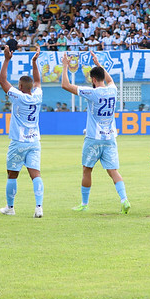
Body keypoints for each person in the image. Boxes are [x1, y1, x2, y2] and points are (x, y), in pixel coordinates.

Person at [61, 51, 130, 213]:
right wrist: (98, 64)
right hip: (110, 137)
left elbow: (66, 85)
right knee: (113, 171)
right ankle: (124, 199)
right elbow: (111, 80)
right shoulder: (113, 90)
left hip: (93, 138)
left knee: (87, 169)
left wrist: (65, 66)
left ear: (92, 79)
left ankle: (84, 204)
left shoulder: (92, 92)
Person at [0, 45, 44, 217]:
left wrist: (7, 59)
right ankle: (38, 207)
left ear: (20, 86)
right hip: (34, 141)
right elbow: (38, 82)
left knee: (12, 174)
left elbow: (2, 80)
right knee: (35, 174)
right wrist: (34, 62)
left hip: (18, 141)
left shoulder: (18, 97)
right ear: (31, 87)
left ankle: (10, 208)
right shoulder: (37, 96)